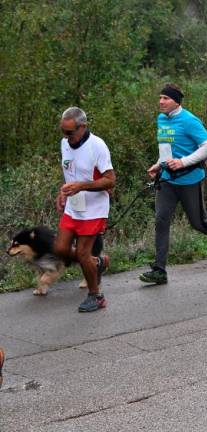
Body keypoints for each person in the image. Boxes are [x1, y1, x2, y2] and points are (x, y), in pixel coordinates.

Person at [139, 83, 207, 285]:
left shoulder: (189, 120)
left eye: (165, 98)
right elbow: (167, 148)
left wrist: (183, 162)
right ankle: (159, 270)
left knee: (198, 222)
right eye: (160, 98)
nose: (161, 102)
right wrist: (158, 164)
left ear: (176, 101)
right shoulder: (161, 119)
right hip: (167, 180)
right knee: (161, 220)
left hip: (190, 179)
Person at [53, 107, 115, 312]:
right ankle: (96, 262)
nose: (66, 136)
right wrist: (63, 192)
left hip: (94, 208)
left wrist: (82, 185)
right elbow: (70, 173)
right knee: (61, 249)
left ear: (83, 127)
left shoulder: (97, 146)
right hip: (74, 206)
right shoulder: (65, 144)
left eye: (70, 132)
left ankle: (96, 296)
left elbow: (110, 181)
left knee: (82, 253)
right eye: (63, 131)